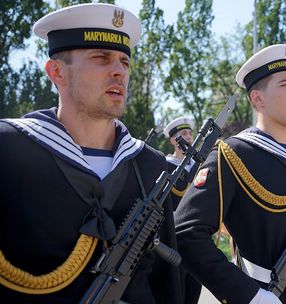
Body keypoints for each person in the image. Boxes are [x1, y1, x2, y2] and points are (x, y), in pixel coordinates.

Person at [0, 3, 180, 303]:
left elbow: (166, 282)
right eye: (101, 58)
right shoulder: (10, 150)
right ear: (57, 72)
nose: (119, 71)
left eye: (124, 61)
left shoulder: (149, 164)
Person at [174, 44, 286, 304]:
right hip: (266, 293)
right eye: (285, 85)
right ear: (257, 99)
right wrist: (250, 296)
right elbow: (186, 233)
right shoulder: (233, 154)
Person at [163, 117, 202, 304]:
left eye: (189, 133)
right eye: (183, 134)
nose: (188, 137)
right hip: (172, 237)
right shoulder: (164, 165)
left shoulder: (199, 166)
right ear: (173, 140)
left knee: (193, 290)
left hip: (196, 237)